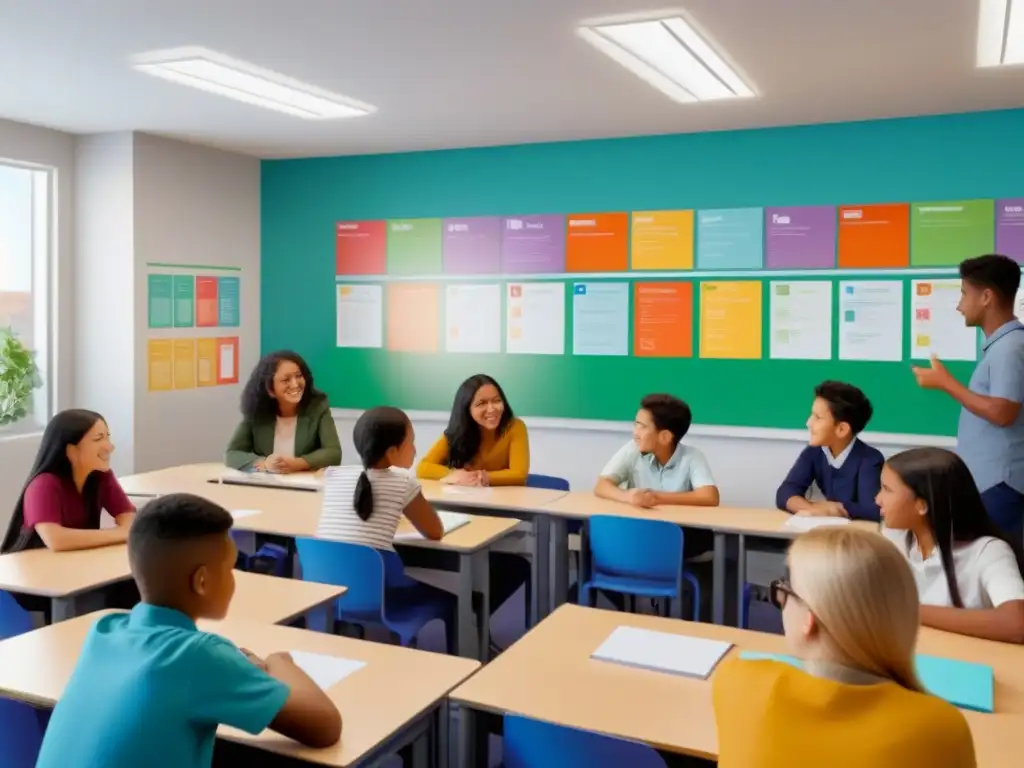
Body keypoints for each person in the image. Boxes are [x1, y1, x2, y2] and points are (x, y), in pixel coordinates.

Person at [35, 493, 342, 768]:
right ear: (203, 581)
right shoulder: (199, 654)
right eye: (231, 568)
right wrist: (279, 662)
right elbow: (326, 727)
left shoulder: (105, 629)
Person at [713, 527, 976, 767]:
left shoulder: (737, 681)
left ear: (809, 620)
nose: (779, 599)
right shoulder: (943, 730)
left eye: (784, 590)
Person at [318, 406, 455, 652]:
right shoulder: (403, 482)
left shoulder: (333, 475)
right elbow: (434, 531)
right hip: (381, 597)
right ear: (392, 452)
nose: (414, 449)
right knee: (454, 599)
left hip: (328, 592)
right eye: (410, 442)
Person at [912, 253, 1024, 542]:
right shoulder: (1001, 346)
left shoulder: (1010, 348)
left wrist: (946, 383)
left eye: (964, 293)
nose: (959, 305)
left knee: (1000, 566)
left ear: (986, 297)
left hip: (1002, 486)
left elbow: (1003, 412)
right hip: (990, 485)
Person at [415, 374, 530, 629]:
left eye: (497, 401)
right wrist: (452, 474)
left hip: (502, 520)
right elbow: (422, 467)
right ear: (466, 409)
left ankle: (474, 618)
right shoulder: (456, 433)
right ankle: (468, 620)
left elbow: (519, 474)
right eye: (481, 404)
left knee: (510, 567)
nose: (492, 409)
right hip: (464, 519)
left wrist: (482, 477)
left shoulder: (514, 427)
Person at [879, 447, 1024, 644]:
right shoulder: (894, 538)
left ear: (922, 505)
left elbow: (1016, 624)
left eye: (887, 490)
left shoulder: (988, 551)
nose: (878, 499)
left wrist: (908, 610)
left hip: (968, 662)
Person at [1, 409, 135, 556]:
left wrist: (124, 531)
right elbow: (56, 539)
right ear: (72, 451)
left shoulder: (101, 476)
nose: (110, 447)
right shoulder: (43, 484)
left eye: (107, 438)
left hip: (77, 563)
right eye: (98, 439)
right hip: (38, 570)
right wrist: (120, 533)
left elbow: (130, 520)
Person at [596, 393, 718, 552]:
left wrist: (656, 498)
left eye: (642, 426)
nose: (635, 432)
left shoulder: (692, 456)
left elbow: (709, 496)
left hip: (677, 535)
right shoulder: (632, 449)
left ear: (665, 437)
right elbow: (601, 485)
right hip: (638, 530)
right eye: (636, 424)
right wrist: (628, 496)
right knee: (594, 533)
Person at [776, 381, 884, 521]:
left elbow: (871, 511)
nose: (808, 423)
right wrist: (812, 509)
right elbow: (785, 492)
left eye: (818, 417)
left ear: (841, 429)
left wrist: (830, 508)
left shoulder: (870, 459)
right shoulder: (814, 452)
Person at [225, 350, 341, 473]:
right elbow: (232, 454)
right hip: (265, 485)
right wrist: (264, 463)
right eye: (286, 380)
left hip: (304, 485)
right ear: (270, 389)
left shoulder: (318, 406)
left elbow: (333, 453)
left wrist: (298, 463)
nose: (295, 384)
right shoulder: (257, 411)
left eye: (299, 376)